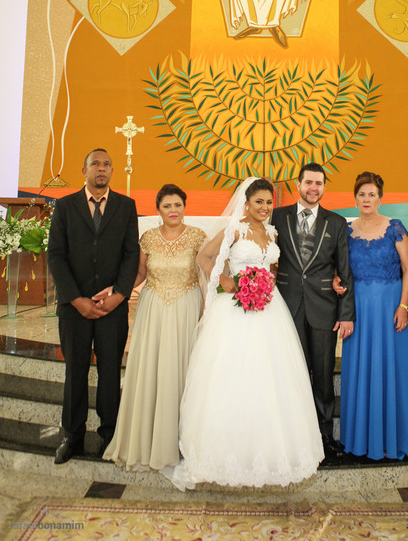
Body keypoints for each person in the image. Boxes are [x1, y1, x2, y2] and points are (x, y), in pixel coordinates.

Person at [162, 177, 323, 489]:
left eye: (268, 202)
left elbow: (273, 268)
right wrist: (223, 278)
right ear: (246, 203)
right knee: (234, 374)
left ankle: (272, 451)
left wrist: (265, 285)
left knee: (273, 377)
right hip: (235, 310)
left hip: (268, 307)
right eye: (258, 202)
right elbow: (204, 257)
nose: (264, 207)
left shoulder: (273, 232)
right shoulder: (235, 228)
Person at [103, 184, 206, 470]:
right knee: (152, 368)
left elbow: (205, 276)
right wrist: (115, 291)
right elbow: (138, 274)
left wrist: (206, 310)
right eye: (166, 206)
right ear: (158, 209)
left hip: (186, 306)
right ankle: (147, 440)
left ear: (185, 206)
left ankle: (181, 441)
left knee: (181, 369)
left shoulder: (198, 237)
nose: (173, 211)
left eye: (177, 205)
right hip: (153, 308)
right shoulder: (147, 238)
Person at [47, 149, 139, 464]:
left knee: (110, 372)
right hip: (75, 308)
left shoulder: (126, 207)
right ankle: (71, 436)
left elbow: (131, 254)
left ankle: (109, 435)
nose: (101, 169)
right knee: (75, 371)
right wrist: (76, 299)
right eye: (95, 164)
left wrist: (118, 295)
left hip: (112, 307)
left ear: (112, 170)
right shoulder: (65, 206)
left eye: (106, 164)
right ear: (83, 169)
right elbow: (56, 255)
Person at [271, 162, 354, 461]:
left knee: (322, 375)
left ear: (324, 187)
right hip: (285, 306)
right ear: (298, 184)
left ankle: (324, 436)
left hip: (323, 308)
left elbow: (344, 270)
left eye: (319, 183)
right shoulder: (277, 216)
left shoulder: (336, 222)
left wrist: (346, 314)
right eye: (308, 183)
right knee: (290, 373)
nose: (313, 188)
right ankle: (293, 435)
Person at [336, 172, 408, 461]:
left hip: (389, 310)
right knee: (360, 369)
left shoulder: (395, 228)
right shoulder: (347, 230)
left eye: (372, 194)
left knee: (389, 369)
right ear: (355, 198)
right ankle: (360, 440)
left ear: (380, 198)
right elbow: (341, 270)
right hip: (358, 310)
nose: (366, 199)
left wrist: (403, 306)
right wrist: (337, 282)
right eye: (362, 194)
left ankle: (391, 438)